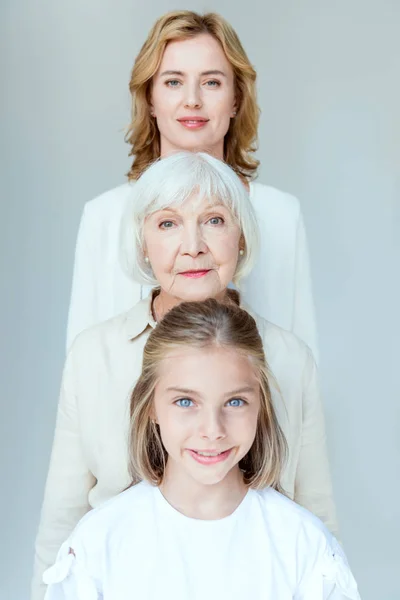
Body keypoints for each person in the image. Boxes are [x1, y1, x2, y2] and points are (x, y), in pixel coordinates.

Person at [32, 152, 336, 600]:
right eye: (168, 224)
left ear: (242, 239)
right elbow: (61, 520)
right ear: (143, 243)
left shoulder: (289, 357)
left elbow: (316, 511)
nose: (192, 246)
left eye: (214, 220)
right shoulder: (93, 355)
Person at [42, 299, 359, 600]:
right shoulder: (98, 543)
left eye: (235, 402)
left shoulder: (303, 546)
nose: (212, 431)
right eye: (186, 402)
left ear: (260, 405)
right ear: (151, 406)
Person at [66, 10, 319, 359]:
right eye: (173, 81)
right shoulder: (103, 215)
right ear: (150, 100)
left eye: (211, 82)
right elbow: (82, 361)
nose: (192, 100)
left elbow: (301, 359)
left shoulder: (280, 213)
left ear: (235, 100)